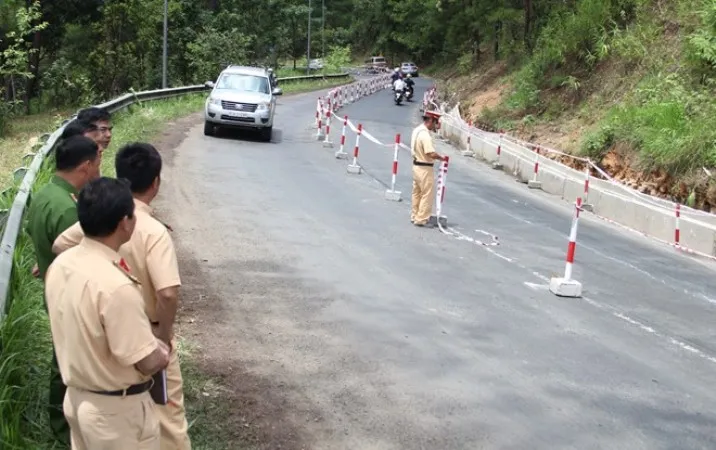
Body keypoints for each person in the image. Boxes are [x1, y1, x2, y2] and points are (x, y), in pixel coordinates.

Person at [53, 143, 192, 450]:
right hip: (117, 408)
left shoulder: (63, 267)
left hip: (77, 397)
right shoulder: (117, 286)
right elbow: (146, 357)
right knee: (170, 423)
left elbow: (60, 245)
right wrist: (163, 343)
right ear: (124, 222)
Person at [25, 135, 102, 445]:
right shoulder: (70, 212)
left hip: (51, 290)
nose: (99, 170)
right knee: (68, 365)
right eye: (97, 164)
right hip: (69, 299)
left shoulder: (44, 194)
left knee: (61, 359)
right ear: (84, 167)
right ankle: (64, 425)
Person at [410, 110, 447, 228]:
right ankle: (421, 219)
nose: (436, 125)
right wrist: (441, 158)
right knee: (426, 194)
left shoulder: (417, 130)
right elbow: (430, 153)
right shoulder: (425, 135)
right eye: (435, 122)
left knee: (417, 192)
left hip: (416, 165)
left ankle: (415, 215)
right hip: (425, 167)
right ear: (430, 120)